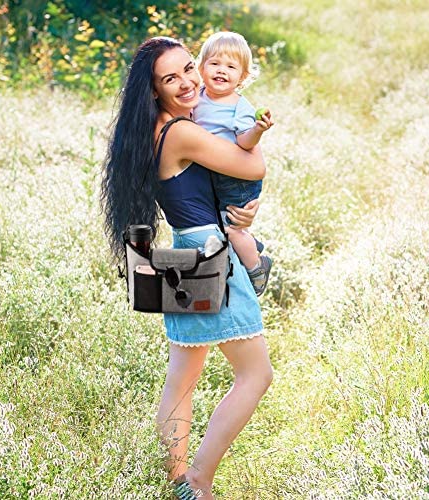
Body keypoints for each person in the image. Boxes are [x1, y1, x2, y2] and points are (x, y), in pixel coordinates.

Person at [101, 37, 273, 499]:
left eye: (188, 68)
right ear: (154, 90)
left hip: (183, 251)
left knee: (183, 376)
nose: (186, 82)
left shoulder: (154, 128)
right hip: (212, 255)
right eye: (169, 78)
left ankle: (178, 480)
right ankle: (199, 481)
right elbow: (251, 167)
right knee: (256, 376)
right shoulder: (180, 132)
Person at [194, 31, 273, 296]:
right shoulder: (198, 97)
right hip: (215, 173)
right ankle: (251, 245)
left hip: (236, 180)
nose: (221, 71)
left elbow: (245, 142)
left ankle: (256, 267)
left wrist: (258, 130)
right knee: (221, 225)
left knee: (233, 228)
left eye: (231, 67)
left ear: (242, 76)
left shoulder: (239, 106)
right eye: (215, 63)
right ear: (201, 67)